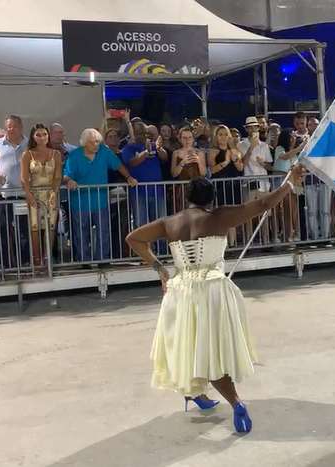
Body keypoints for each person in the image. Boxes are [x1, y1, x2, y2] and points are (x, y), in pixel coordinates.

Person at [125, 165, 306, 434]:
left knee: (187, 346)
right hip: (210, 289)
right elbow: (263, 204)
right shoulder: (218, 217)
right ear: (212, 199)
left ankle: (196, 393)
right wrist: (289, 183)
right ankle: (236, 402)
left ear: (187, 198)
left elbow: (134, 238)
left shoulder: (170, 222)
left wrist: (160, 269)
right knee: (211, 351)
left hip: (181, 291)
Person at [63, 128, 137, 263]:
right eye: (93, 142)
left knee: (103, 231)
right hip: (80, 201)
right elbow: (66, 175)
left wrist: (129, 177)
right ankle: (84, 261)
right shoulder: (74, 155)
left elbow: (118, 165)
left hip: (100, 200)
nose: (96, 144)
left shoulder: (104, 151)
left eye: (98, 141)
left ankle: (103, 260)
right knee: (81, 232)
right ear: (85, 143)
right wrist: (69, 180)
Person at [0, 115, 30, 268]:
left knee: (23, 232)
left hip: (23, 195)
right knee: (3, 231)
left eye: (14, 126)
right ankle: (5, 263)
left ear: (21, 128)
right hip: (4, 195)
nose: (10, 129)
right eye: (8, 126)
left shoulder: (29, 144)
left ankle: (25, 262)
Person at [20, 124, 63, 268]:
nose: (42, 137)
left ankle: (48, 258)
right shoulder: (27, 154)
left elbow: (57, 177)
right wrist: (28, 194)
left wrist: (54, 192)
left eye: (44, 134)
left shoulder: (55, 154)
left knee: (51, 227)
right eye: (38, 135)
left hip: (50, 193)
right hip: (34, 193)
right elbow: (24, 178)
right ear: (33, 137)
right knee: (34, 227)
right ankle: (36, 260)